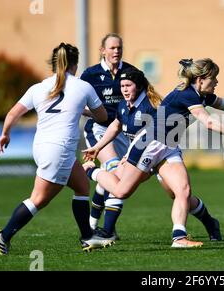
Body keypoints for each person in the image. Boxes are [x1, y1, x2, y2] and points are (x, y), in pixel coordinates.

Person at [84, 58, 224, 247]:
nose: (217, 82)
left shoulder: (201, 95)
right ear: (201, 80)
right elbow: (209, 122)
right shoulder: (187, 94)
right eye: (214, 78)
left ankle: (179, 237)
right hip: (150, 145)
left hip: (168, 146)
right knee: (120, 191)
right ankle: (90, 171)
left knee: (183, 190)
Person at [0, 43, 114, 255]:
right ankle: (4, 235)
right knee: (39, 199)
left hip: (41, 147)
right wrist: (84, 111)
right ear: (75, 64)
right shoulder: (82, 86)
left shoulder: (38, 87)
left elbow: (12, 113)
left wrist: (5, 134)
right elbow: (103, 117)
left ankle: (87, 237)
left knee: (82, 185)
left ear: (53, 64)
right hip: (60, 148)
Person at [83, 67, 222, 242]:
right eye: (122, 86)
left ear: (139, 86)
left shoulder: (152, 106)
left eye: (128, 85)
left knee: (178, 193)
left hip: (160, 152)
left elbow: (153, 133)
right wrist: (98, 147)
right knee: (117, 182)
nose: (124, 90)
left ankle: (91, 173)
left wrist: (130, 152)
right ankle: (106, 230)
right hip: (143, 155)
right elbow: (115, 126)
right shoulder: (124, 105)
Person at [80, 33, 136, 235]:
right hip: (99, 129)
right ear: (102, 50)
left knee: (112, 178)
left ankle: (92, 226)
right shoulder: (90, 75)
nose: (116, 51)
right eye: (112, 48)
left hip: (123, 131)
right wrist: (95, 112)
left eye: (119, 47)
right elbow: (77, 103)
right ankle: (108, 230)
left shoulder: (130, 71)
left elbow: (144, 97)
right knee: (113, 172)